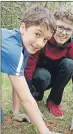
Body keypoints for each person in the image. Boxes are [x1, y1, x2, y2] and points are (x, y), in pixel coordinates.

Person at [24, 7, 73, 134]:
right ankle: (36, 98)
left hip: (56, 79)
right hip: (39, 78)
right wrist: (30, 102)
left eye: (68, 29)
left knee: (70, 64)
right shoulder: (43, 41)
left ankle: (53, 101)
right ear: (53, 26)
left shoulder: (72, 47)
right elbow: (29, 68)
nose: (64, 33)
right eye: (60, 27)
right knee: (42, 75)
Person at [1, 5, 60, 134]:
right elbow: (26, 99)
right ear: (23, 27)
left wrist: (16, 113)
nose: (40, 43)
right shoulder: (13, 50)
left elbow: (17, 82)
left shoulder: (24, 46)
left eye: (45, 39)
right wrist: (45, 131)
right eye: (37, 34)